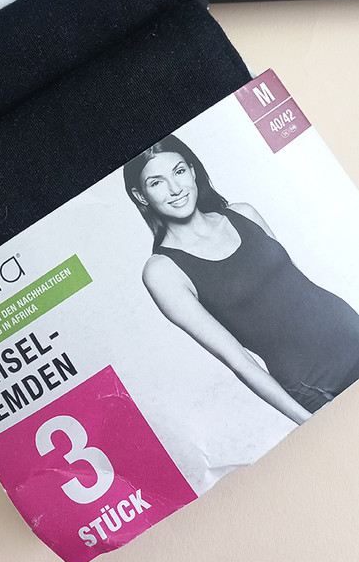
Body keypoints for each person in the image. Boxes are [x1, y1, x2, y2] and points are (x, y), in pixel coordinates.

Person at [123, 135, 359, 424]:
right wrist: (308, 422)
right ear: (141, 196)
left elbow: (300, 284)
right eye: (157, 183)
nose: (175, 189)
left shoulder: (243, 213)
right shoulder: (162, 271)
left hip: (352, 331)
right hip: (314, 384)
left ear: (193, 171)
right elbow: (240, 362)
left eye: (179, 171)